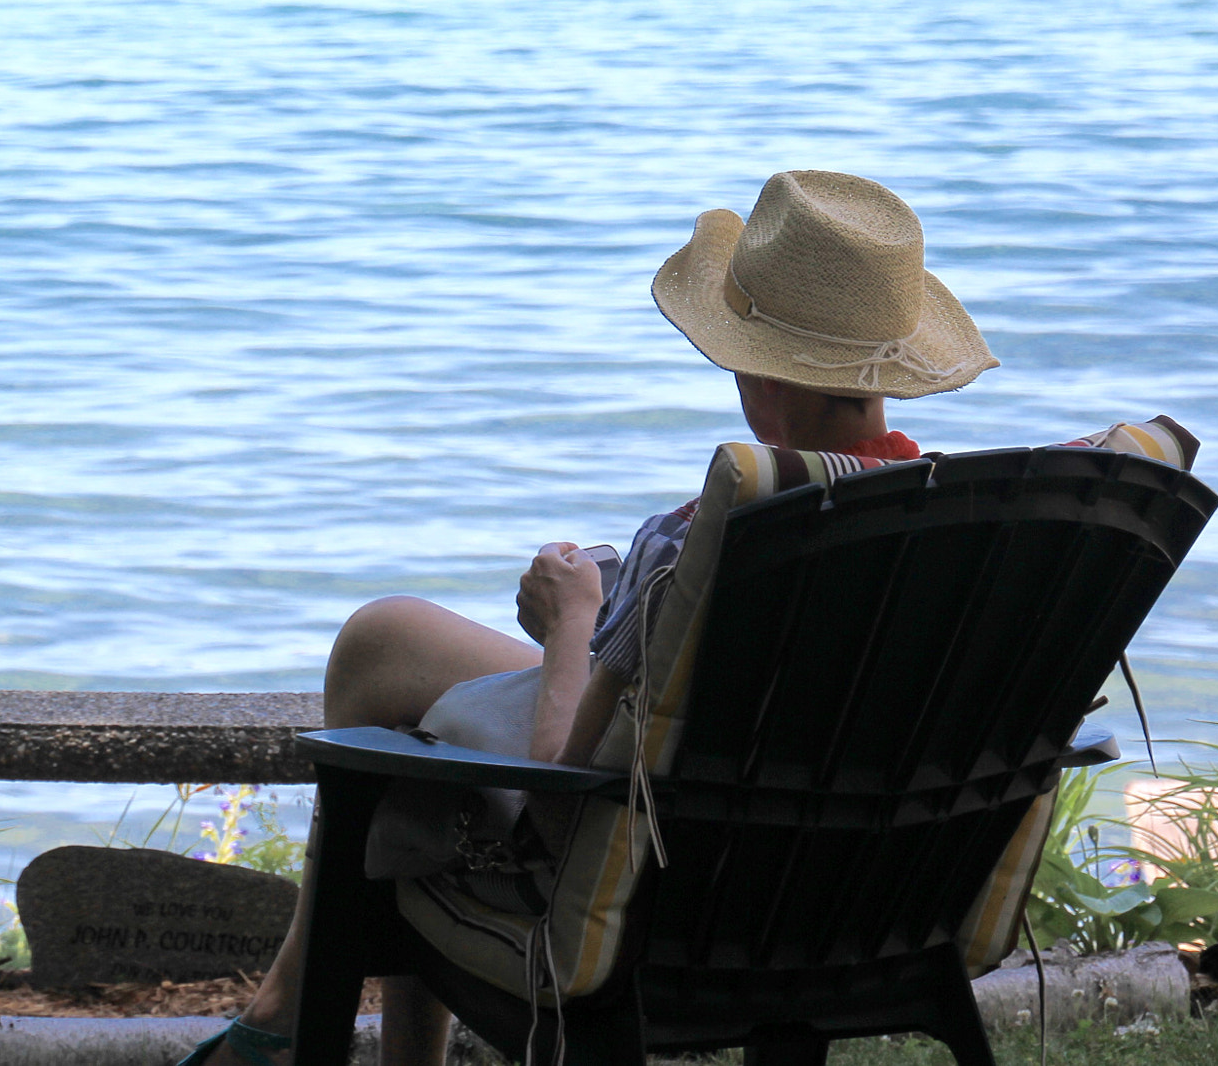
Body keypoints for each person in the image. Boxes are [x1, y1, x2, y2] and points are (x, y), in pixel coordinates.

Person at [180, 170, 998, 1066]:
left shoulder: (700, 541)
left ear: (757, 371)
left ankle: (285, 1015)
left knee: (384, 656)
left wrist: (575, 617)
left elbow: (556, 785)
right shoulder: (966, 538)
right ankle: (284, 1010)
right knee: (399, 659)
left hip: (647, 900)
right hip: (844, 900)